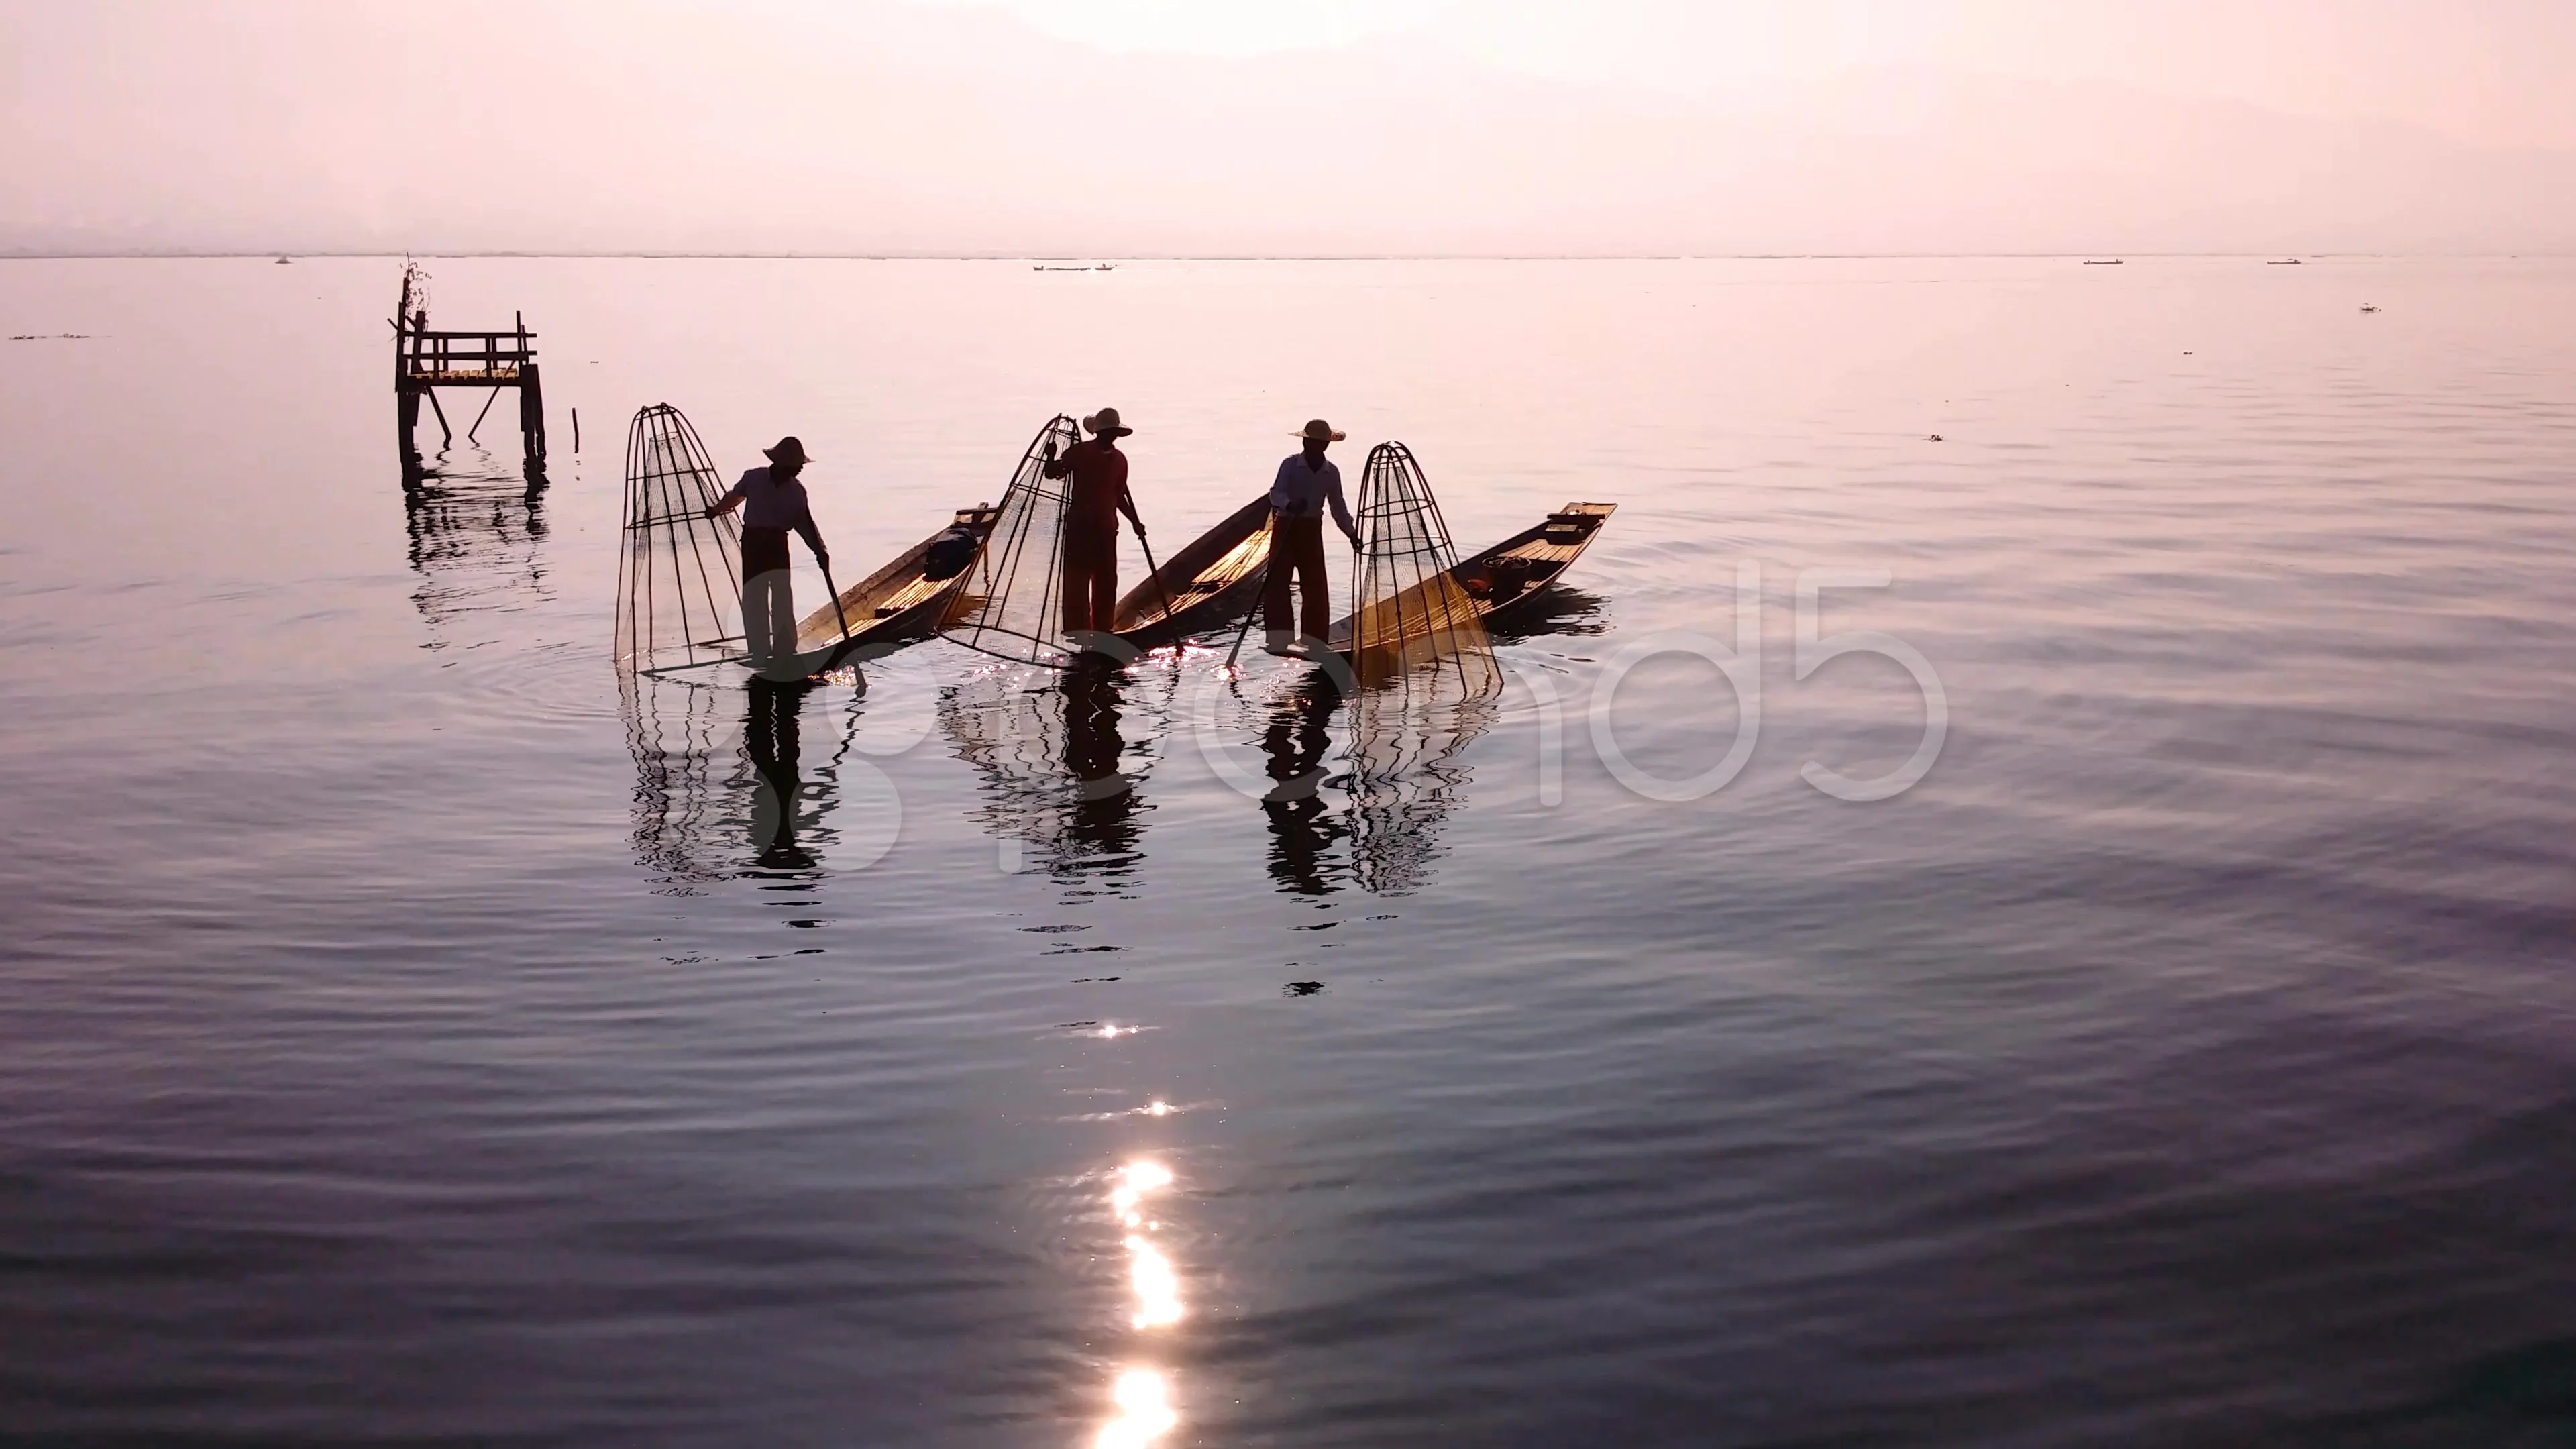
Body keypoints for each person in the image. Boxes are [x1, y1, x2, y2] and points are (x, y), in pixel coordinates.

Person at [705, 436, 828, 676]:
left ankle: (784, 650)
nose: (801, 468)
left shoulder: (797, 492)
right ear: (784, 464)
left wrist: (820, 551)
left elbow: (806, 525)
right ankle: (759, 651)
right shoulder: (754, 478)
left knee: (782, 597)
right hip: (753, 542)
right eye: (797, 464)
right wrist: (716, 511)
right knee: (754, 597)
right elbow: (734, 497)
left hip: (777, 544)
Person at [1042, 407, 1146, 648]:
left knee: (1106, 581)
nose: (1110, 436)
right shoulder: (1078, 453)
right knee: (1077, 583)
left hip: (1106, 530)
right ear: (1100, 433)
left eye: (1112, 432)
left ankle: (1102, 631)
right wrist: (1050, 456)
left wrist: (1135, 522)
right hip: (1080, 528)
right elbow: (1052, 473)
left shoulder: (1120, 460)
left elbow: (1119, 496)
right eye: (1107, 432)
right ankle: (1078, 635)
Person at [1264, 418, 1361, 655]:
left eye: (1321, 443)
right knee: (1277, 583)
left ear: (1326, 445)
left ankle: (1314, 640)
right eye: (1312, 442)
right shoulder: (1290, 465)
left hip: (1311, 528)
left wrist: (1352, 534)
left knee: (1315, 585)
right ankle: (1279, 638)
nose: (1316, 447)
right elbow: (1276, 494)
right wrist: (1290, 503)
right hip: (1287, 525)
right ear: (1306, 442)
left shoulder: (1331, 473)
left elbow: (1338, 508)